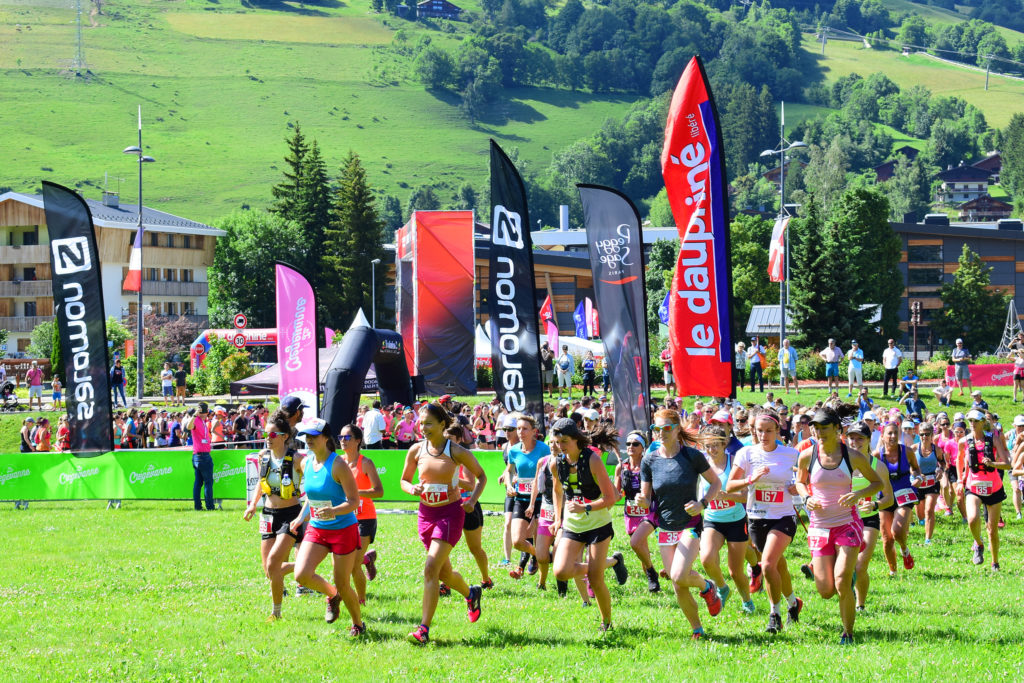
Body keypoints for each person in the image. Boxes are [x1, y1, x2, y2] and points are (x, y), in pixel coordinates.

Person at [795, 407, 883, 645]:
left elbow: (876, 483)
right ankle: (836, 570)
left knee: (842, 581)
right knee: (825, 591)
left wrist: (858, 494)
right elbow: (800, 482)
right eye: (816, 427)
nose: (819, 431)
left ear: (837, 429)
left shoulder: (852, 456)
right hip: (820, 527)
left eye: (824, 427)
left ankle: (848, 633)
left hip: (847, 523)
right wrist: (806, 498)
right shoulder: (807, 455)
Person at [401, 402, 486, 645]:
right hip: (426, 515)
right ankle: (471, 593)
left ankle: (423, 629)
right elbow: (404, 481)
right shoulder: (416, 450)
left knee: (430, 570)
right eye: (421, 422)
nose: (423, 427)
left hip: (450, 514)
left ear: (442, 424)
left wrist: (473, 501)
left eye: (428, 423)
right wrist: (412, 489)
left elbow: (481, 476)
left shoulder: (455, 451)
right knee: (445, 573)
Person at [636, 410, 722, 639]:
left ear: (676, 429)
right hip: (665, 527)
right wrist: (641, 500)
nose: (661, 433)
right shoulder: (649, 459)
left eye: (666, 428)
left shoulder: (692, 456)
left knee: (678, 574)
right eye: (657, 429)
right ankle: (697, 629)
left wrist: (702, 503)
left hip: (690, 524)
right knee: (678, 584)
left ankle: (707, 587)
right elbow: (646, 498)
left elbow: (716, 482)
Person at [726, 409, 803, 634]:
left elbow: (804, 479)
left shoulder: (790, 454)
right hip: (757, 517)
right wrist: (751, 479)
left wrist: (795, 487)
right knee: (778, 566)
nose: (764, 435)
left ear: (778, 430)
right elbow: (730, 486)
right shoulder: (746, 454)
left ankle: (774, 614)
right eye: (759, 431)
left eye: (769, 430)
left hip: (783, 517)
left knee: (767, 564)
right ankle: (793, 604)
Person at [549, 417, 628, 634]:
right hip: (572, 526)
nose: (559, 446)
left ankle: (607, 621)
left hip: (598, 525)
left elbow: (612, 498)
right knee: (561, 571)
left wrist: (586, 508)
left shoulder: (592, 460)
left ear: (576, 439)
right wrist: (558, 519)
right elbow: (557, 491)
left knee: (595, 578)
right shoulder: (556, 463)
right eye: (556, 442)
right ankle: (612, 562)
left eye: (564, 441)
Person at [290, 418, 365, 635]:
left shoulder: (338, 464)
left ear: (325, 438)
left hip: (343, 529)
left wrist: (334, 510)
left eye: (314, 436)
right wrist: (300, 516)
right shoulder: (305, 463)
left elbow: (354, 501)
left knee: (343, 583)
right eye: (306, 436)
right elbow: (312, 498)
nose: (309, 440)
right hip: (318, 528)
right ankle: (332, 596)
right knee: (301, 574)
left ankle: (358, 624)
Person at [242, 413, 303, 621]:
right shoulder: (263, 456)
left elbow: (313, 479)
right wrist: (252, 505)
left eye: (272, 434)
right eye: (265, 433)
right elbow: (261, 481)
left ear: (284, 436)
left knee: (274, 564)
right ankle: (305, 566)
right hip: (268, 513)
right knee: (269, 571)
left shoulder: (296, 459)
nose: (268, 437)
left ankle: (275, 613)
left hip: (290, 515)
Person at [698, 425, 755, 615]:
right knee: (706, 559)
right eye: (707, 446)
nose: (712, 450)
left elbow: (747, 496)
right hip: (712, 519)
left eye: (715, 445)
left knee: (735, 571)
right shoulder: (702, 465)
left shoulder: (734, 464)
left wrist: (727, 496)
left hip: (736, 520)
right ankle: (722, 588)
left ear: (724, 444)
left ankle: (747, 601)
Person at [958, 410, 1011, 570]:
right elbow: (959, 460)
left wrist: (993, 464)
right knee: (972, 519)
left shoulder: (993, 439)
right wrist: (961, 479)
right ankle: (979, 544)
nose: (972, 424)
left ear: (982, 422)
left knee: (992, 529)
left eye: (975, 421)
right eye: (970, 421)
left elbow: (1007, 464)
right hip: (973, 486)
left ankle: (995, 561)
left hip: (994, 487)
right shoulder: (964, 441)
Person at [339, 423, 384, 605]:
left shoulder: (365, 463)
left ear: (358, 441)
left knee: (353, 565)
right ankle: (368, 559)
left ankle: (361, 601)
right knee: (345, 562)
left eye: (347, 437)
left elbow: (379, 491)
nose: (343, 441)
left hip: (364, 518)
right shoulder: (338, 462)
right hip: (344, 517)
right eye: (341, 437)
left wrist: (357, 493)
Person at [615, 430, 661, 593]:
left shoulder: (649, 465)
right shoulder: (622, 466)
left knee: (635, 543)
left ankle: (651, 574)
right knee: (641, 547)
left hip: (649, 510)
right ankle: (652, 580)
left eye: (635, 444)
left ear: (643, 447)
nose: (631, 447)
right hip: (631, 511)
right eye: (628, 444)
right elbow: (616, 492)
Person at [506, 415, 550, 580]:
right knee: (517, 541)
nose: (520, 432)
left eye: (525, 429)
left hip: (540, 501)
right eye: (518, 428)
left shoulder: (543, 449)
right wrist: (509, 485)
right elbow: (509, 470)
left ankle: (541, 580)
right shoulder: (514, 450)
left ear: (534, 431)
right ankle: (542, 555)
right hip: (521, 499)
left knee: (537, 538)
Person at [876, 421, 922, 577]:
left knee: (896, 530)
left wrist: (917, 477)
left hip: (904, 493)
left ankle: (904, 549)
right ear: (882, 436)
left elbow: (916, 469)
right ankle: (893, 571)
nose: (893, 436)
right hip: (885, 496)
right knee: (887, 538)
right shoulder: (877, 455)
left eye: (896, 433)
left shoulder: (907, 452)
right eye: (889, 433)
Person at [183, 402, 214, 511]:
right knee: (208, 482)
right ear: (204, 413)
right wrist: (195, 415)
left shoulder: (202, 421)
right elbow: (188, 426)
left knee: (199, 483)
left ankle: (198, 507)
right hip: (202, 456)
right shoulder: (196, 419)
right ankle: (210, 507)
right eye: (207, 413)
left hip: (199, 455)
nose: (207, 415)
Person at [914, 423, 942, 545]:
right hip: (918, 482)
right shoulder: (914, 448)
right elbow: (908, 465)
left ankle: (928, 539)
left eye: (927, 434)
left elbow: (943, 462)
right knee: (920, 514)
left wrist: (941, 469)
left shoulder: (937, 449)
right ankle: (921, 521)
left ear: (932, 435)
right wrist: (916, 475)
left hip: (932, 482)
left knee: (929, 510)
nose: (924, 436)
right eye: (922, 434)